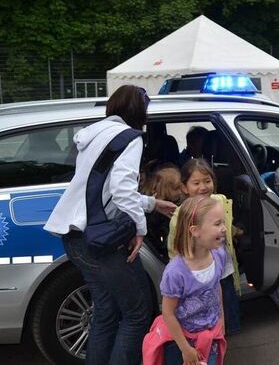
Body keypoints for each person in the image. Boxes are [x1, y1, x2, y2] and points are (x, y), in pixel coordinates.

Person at [44, 85, 177, 365]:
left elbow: (101, 190)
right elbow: (121, 191)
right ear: (140, 111)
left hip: (76, 238)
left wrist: (152, 204)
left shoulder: (96, 136)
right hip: (101, 242)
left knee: (105, 309)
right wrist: (140, 229)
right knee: (137, 313)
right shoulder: (130, 138)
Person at [142, 196, 228, 365]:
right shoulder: (176, 272)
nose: (224, 229)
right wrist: (185, 349)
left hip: (210, 336)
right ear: (195, 230)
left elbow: (216, 286)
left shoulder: (219, 255)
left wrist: (221, 320)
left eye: (223, 222)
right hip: (181, 341)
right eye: (218, 224)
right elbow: (168, 313)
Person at [167, 158, 242, 335]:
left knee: (227, 299)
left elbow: (227, 226)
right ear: (184, 187)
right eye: (196, 183)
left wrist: (237, 232)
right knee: (204, 308)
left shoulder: (219, 202)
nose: (203, 187)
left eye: (207, 181)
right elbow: (175, 248)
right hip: (199, 274)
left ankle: (225, 332)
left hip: (223, 267)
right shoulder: (182, 216)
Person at [141, 166, 186, 262]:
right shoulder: (156, 214)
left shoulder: (177, 203)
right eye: (176, 188)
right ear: (164, 188)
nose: (180, 192)